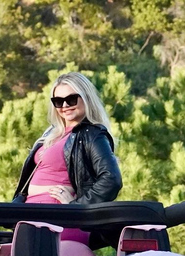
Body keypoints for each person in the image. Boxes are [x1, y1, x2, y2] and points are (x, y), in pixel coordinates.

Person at [13, 72, 123, 207]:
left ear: (86, 98)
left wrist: (76, 207)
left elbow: (111, 179)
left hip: (54, 213)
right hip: (31, 208)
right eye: (58, 101)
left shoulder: (92, 134)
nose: (65, 105)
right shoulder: (51, 133)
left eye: (71, 99)